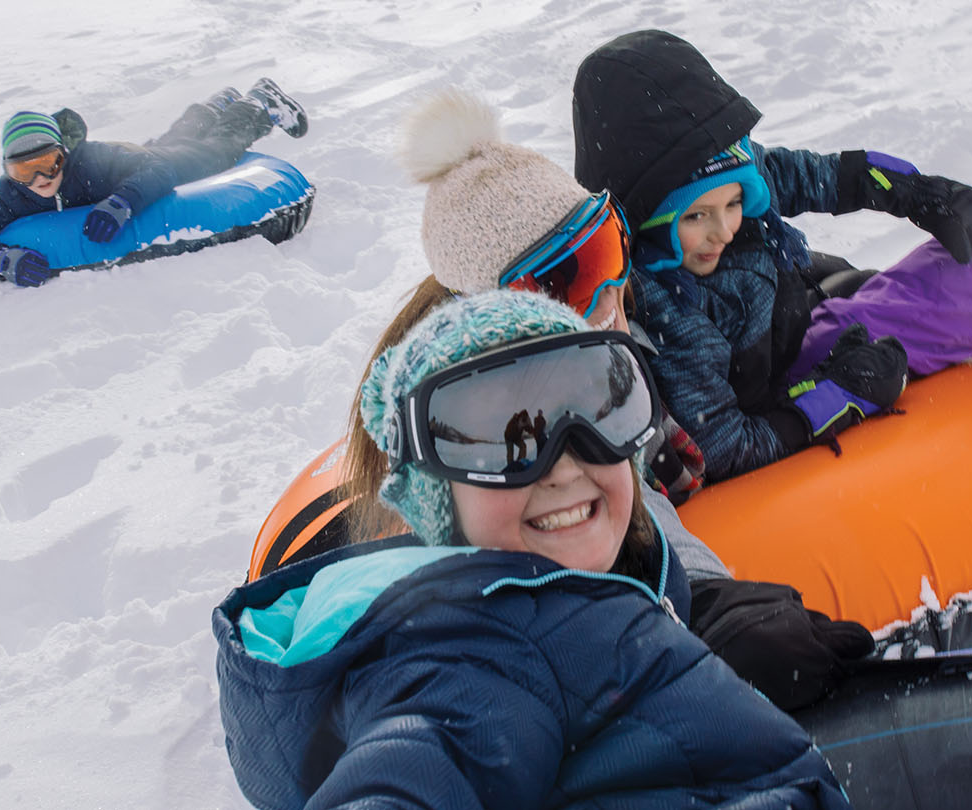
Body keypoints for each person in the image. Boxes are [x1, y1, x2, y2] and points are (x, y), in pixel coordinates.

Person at [331, 87, 875, 711]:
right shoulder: (484, 442)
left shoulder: (610, 339)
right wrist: (710, 607)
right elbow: (621, 503)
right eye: (567, 278)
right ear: (498, 318)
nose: (610, 298)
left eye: (605, 251)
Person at [214, 290, 854, 809]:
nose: (563, 465)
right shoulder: (468, 653)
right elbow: (415, 761)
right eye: (508, 438)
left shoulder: (602, 581)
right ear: (439, 501)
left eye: (592, 414)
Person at [572, 30, 972, 480]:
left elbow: (822, 176)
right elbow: (724, 445)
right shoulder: (669, 309)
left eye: (733, 203)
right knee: (962, 295)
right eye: (695, 218)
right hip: (777, 382)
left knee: (932, 260)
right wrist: (836, 393)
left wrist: (919, 193)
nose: (723, 229)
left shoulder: (729, 187)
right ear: (644, 221)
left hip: (785, 304)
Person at [0, 78, 309, 287]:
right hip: (137, 154)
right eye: (25, 171)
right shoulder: (14, 196)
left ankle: (260, 102)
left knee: (212, 151)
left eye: (48, 164)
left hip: (149, 165)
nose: (40, 179)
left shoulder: (90, 161)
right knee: (174, 140)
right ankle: (217, 106)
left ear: (64, 155)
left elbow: (158, 172)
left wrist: (121, 203)